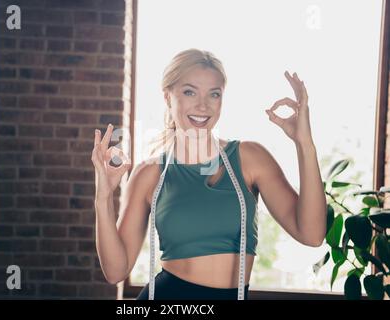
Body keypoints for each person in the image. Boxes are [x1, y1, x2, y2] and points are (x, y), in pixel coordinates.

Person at [92, 48, 327, 300]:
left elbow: (311, 235)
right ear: (167, 97)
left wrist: (305, 143)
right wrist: (103, 197)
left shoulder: (250, 158)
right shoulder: (149, 175)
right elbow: (116, 271)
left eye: (214, 94)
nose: (202, 105)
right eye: (189, 92)